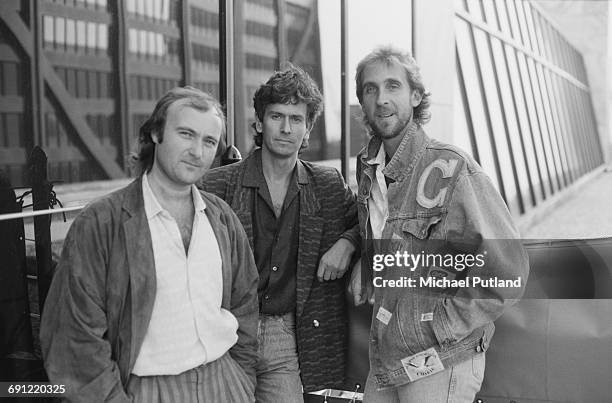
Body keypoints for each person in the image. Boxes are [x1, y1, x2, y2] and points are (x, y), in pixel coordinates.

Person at [40, 87, 259, 403]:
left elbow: (245, 305)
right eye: (186, 134)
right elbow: (74, 337)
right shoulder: (102, 222)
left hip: (225, 382)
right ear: (156, 133)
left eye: (209, 141)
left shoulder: (221, 218)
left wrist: (241, 377)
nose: (197, 151)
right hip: (147, 390)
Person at [349, 46, 529, 402]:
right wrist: (364, 257)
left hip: (442, 360)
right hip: (387, 356)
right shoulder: (369, 166)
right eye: (370, 89)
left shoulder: (452, 168)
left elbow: (509, 270)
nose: (381, 99)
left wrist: (438, 324)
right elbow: (391, 233)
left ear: (416, 96)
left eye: (393, 86)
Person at [200, 64, 359, 402]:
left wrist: (348, 241)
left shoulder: (327, 185)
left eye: (296, 119)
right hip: (224, 330)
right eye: (276, 116)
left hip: (284, 334)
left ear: (308, 129)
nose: (286, 128)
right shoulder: (216, 185)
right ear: (259, 123)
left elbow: (371, 221)